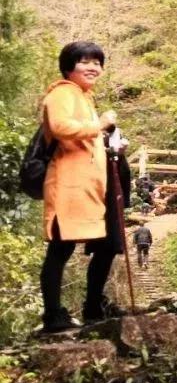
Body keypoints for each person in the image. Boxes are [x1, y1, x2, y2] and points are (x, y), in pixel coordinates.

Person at [39, 41, 128, 332]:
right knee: (60, 249)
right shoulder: (62, 92)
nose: (93, 67)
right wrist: (100, 125)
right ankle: (53, 315)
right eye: (85, 61)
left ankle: (93, 305)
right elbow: (61, 127)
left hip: (89, 190)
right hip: (67, 186)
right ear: (68, 66)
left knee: (106, 244)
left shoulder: (85, 97)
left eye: (97, 62)